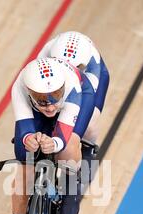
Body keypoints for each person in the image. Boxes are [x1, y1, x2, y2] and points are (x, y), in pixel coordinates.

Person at [5, 57, 95, 214]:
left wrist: (52, 142)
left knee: (69, 144)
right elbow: (25, 127)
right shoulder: (19, 88)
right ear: (29, 93)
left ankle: (71, 189)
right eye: (43, 101)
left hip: (81, 97)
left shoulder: (73, 88)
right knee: (24, 169)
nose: (51, 105)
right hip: (33, 109)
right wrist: (29, 139)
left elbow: (62, 136)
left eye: (55, 98)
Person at [38, 31, 110, 169]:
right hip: (56, 81)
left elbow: (83, 100)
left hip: (89, 82)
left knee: (89, 122)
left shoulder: (92, 64)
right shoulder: (45, 54)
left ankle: (89, 153)